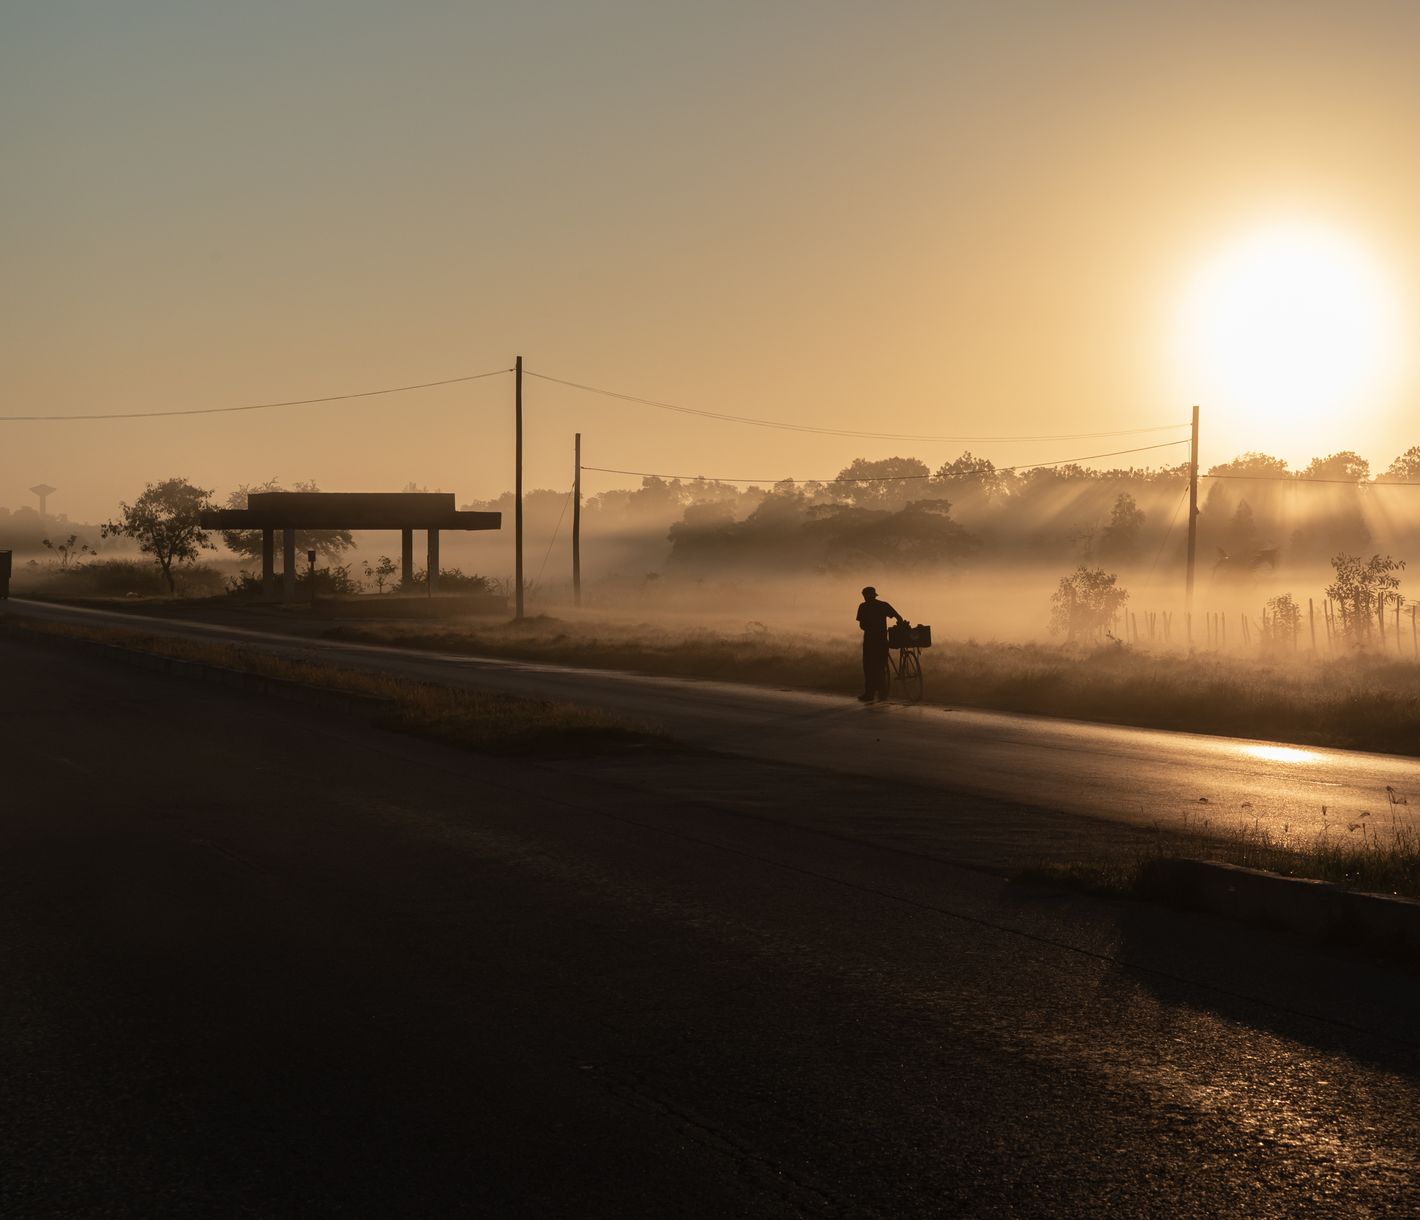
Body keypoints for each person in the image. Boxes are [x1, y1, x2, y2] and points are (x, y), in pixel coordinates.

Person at [855, 586, 902, 701]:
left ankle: (869, 694)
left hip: (870, 640)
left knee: (869, 667)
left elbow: (862, 626)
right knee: (881, 666)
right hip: (882, 640)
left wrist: (870, 626)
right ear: (875, 595)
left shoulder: (863, 606)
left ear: (865, 596)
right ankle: (882, 693)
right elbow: (898, 617)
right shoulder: (883, 605)